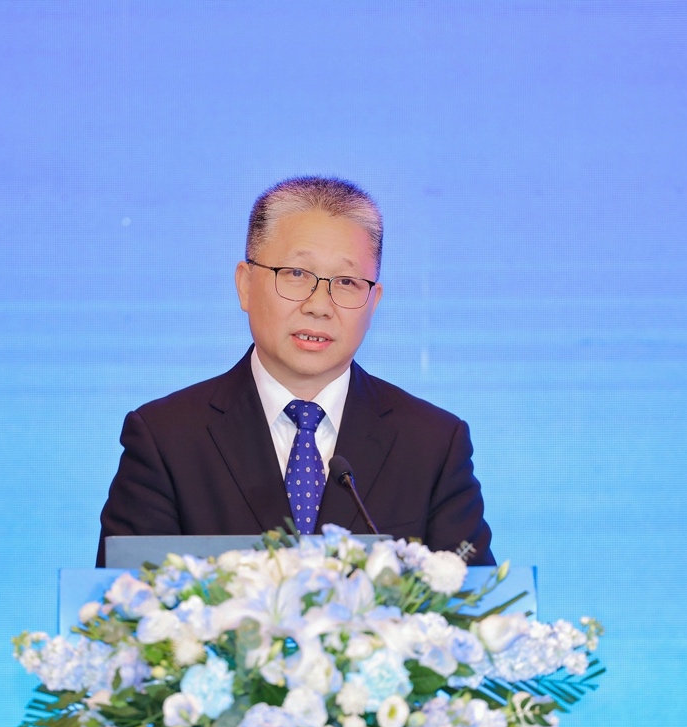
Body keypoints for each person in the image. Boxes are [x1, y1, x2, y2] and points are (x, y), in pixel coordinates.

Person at [97, 176, 493, 566]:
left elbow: (474, 598)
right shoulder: (166, 439)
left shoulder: (433, 444)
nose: (319, 306)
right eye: (296, 274)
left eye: (347, 281)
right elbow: (125, 600)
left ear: (373, 302)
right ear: (245, 285)